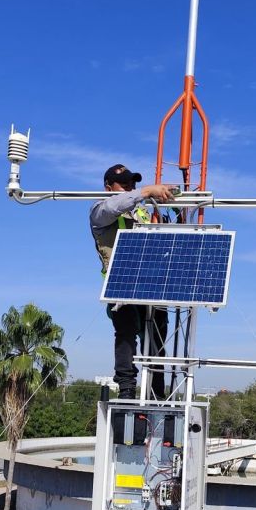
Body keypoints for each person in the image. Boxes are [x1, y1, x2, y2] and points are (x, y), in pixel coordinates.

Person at [90, 164, 176, 399]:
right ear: (108, 187)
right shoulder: (100, 211)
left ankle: (157, 391)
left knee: (157, 339)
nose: (131, 188)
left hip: (152, 285)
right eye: (124, 184)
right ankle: (127, 387)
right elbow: (113, 207)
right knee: (126, 333)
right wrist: (147, 192)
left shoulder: (143, 212)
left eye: (133, 184)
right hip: (121, 286)